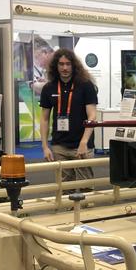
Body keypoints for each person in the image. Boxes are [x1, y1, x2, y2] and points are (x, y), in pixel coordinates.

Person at [40, 48, 98, 187]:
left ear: (73, 65)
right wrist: (45, 147)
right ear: (56, 66)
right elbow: (44, 119)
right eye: (61, 64)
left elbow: (92, 115)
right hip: (59, 146)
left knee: (86, 187)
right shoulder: (49, 88)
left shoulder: (85, 85)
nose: (65, 68)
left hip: (82, 145)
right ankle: (67, 209)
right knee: (64, 188)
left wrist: (84, 142)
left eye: (68, 64)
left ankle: (85, 208)